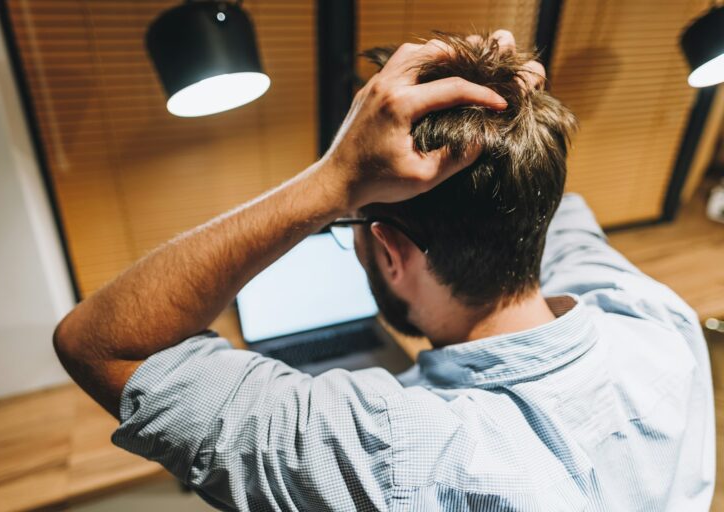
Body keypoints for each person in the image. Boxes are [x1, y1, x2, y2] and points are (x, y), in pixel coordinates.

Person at [53, 30, 715, 511]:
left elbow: (97, 343)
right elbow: (560, 205)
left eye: (355, 234)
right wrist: (513, 113)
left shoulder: (399, 460)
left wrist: (332, 182)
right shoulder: (652, 317)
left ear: (391, 253)